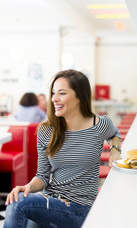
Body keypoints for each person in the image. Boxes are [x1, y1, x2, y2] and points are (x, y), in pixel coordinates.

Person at [4, 69, 121, 228]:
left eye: (62, 93)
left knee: (19, 203)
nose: (54, 99)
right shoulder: (46, 130)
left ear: (79, 96)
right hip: (50, 202)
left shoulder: (99, 124)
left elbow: (115, 133)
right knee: (19, 199)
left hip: (81, 208)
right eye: (53, 93)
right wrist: (28, 187)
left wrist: (115, 149)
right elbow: (42, 176)